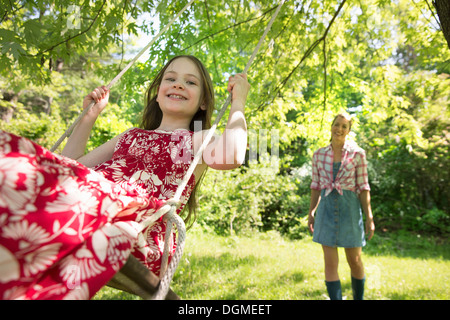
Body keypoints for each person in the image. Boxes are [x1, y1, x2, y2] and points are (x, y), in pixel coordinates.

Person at [0, 55, 250, 299]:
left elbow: (233, 156)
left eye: (190, 82)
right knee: (13, 156)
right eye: (170, 78)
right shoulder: (130, 136)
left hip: (138, 223)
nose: (178, 84)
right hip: (91, 196)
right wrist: (90, 115)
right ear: (158, 91)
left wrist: (238, 102)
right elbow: (70, 168)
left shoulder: (196, 140)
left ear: (203, 102)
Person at [307, 113, 375, 300]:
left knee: (355, 261)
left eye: (344, 126)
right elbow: (316, 186)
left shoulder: (357, 154)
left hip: (350, 211)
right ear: (331, 127)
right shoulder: (319, 154)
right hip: (326, 211)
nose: (339, 129)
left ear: (349, 130)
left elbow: (363, 187)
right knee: (330, 264)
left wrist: (369, 217)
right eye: (337, 125)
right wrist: (311, 212)